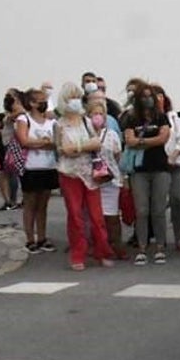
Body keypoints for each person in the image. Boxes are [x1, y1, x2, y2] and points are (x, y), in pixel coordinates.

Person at [54, 83, 114, 270]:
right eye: (70, 97)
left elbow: (96, 143)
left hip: (90, 173)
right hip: (69, 173)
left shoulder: (86, 121)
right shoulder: (59, 124)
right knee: (76, 215)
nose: (74, 101)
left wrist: (78, 147)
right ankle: (78, 254)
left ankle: (102, 252)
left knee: (97, 217)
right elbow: (63, 149)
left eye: (77, 97)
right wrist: (82, 146)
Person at [123, 82, 172, 264]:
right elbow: (129, 140)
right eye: (143, 96)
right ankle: (142, 247)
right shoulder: (131, 118)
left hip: (160, 167)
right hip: (139, 170)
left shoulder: (161, 117)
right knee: (141, 210)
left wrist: (141, 141)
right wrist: (149, 140)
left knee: (158, 209)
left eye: (149, 95)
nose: (147, 99)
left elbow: (163, 138)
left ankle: (160, 246)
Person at [14, 87, 59, 253]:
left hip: (48, 166)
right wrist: (44, 142)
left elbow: (57, 141)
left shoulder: (51, 122)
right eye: (40, 100)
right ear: (32, 103)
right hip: (30, 167)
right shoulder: (23, 119)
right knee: (30, 204)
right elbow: (24, 141)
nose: (44, 103)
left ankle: (42, 236)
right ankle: (30, 239)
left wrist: (42, 143)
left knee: (43, 204)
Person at [87, 95, 125, 260]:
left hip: (110, 179)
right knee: (95, 216)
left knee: (112, 215)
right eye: (94, 113)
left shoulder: (111, 134)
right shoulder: (85, 135)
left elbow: (117, 156)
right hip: (91, 180)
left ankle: (116, 244)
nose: (97, 117)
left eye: (100, 114)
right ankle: (97, 245)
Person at [156, 85, 180, 254]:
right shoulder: (149, 119)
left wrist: (173, 155)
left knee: (177, 199)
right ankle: (160, 240)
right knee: (158, 204)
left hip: (175, 163)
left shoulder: (173, 117)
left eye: (160, 96)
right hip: (158, 165)